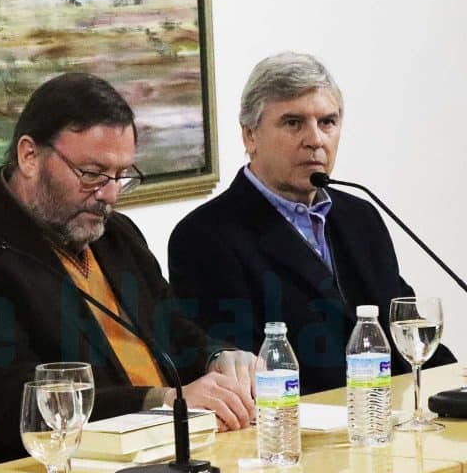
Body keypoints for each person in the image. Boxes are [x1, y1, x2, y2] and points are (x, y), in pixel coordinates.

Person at [0, 73, 255, 468]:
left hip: (171, 455)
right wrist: (161, 403)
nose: (109, 195)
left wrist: (218, 359)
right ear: (29, 156)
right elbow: (10, 407)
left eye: (122, 176)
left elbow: (174, 333)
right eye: (92, 174)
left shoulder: (116, 234)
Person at [168, 52, 454, 394]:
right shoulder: (204, 236)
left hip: (383, 421)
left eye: (327, 122)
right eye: (293, 123)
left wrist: (456, 384)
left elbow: (405, 333)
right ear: (250, 136)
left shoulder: (361, 217)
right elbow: (241, 371)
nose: (315, 139)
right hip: (295, 429)